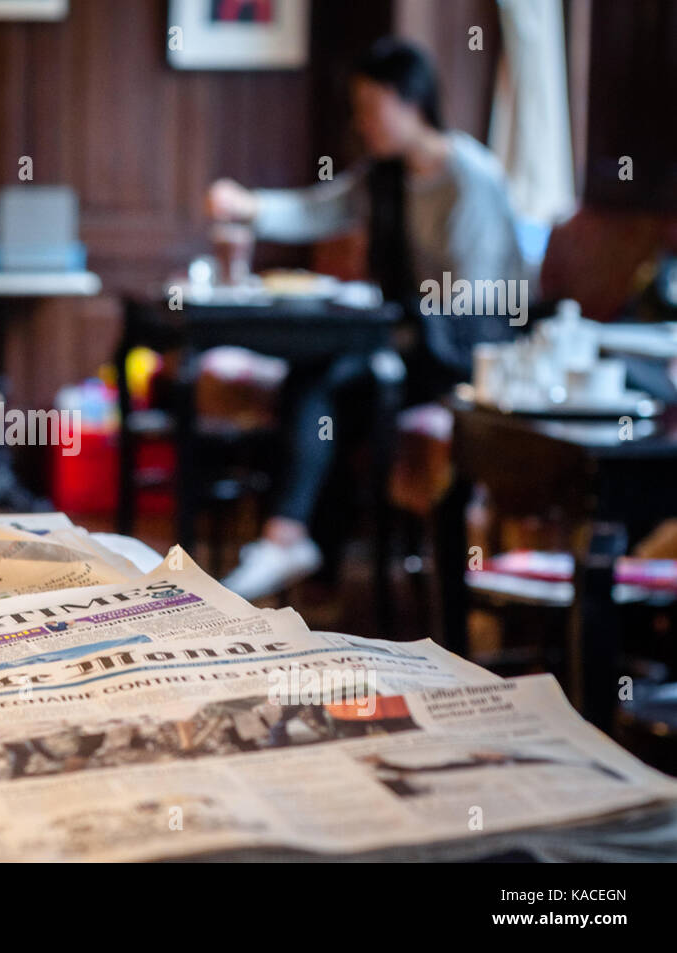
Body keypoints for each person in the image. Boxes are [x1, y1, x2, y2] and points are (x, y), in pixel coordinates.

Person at [206, 37, 528, 599]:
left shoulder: (469, 177)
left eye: (370, 107)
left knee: (332, 373)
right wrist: (249, 206)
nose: (362, 123)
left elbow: (472, 299)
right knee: (316, 374)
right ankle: (297, 544)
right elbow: (320, 208)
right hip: (409, 340)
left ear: (411, 101)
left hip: (469, 352)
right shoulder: (383, 175)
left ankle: (294, 543)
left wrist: (393, 317)